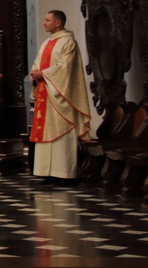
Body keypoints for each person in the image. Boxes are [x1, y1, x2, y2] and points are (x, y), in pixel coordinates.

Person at [30, 10, 91, 183]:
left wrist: (44, 73)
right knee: (46, 131)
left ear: (58, 22)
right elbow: (38, 63)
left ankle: (63, 173)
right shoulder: (46, 43)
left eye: (47, 20)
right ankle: (46, 172)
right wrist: (36, 73)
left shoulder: (68, 42)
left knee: (61, 130)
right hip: (45, 92)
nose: (44, 23)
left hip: (60, 94)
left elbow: (66, 67)